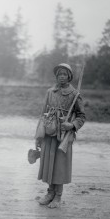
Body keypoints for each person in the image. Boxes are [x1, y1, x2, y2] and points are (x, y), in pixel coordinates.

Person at [35, 63, 86, 208]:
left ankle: (58, 196)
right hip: (49, 132)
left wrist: (72, 125)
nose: (62, 77)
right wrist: (38, 136)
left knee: (60, 165)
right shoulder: (50, 92)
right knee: (48, 163)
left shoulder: (75, 94)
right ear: (56, 76)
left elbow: (82, 116)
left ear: (69, 76)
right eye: (59, 74)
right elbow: (42, 114)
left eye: (65, 74)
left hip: (64, 135)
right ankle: (50, 193)